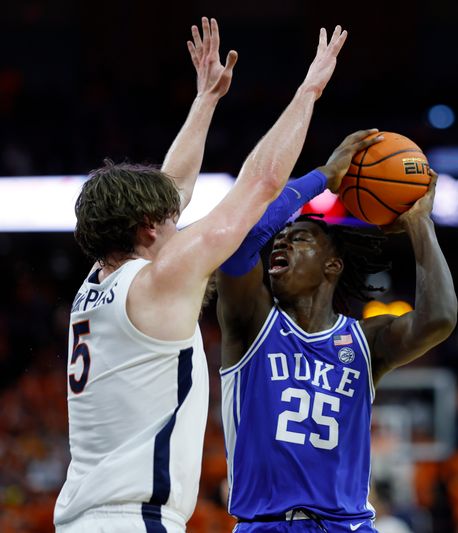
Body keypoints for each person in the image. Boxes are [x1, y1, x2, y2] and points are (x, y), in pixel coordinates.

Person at [54, 18, 349, 533]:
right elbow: (260, 183)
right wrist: (310, 90)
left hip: (83, 517)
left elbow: (174, 188)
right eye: (171, 220)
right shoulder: (158, 280)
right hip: (134, 520)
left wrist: (205, 101)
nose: (180, 219)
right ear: (147, 229)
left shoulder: (98, 283)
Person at [215, 135, 458, 532]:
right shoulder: (253, 323)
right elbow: (240, 245)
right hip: (267, 524)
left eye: (300, 238)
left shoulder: (365, 341)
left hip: (347, 525)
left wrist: (419, 224)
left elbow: (439, 318)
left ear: (333, 266)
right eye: (280, 239)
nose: (282, 242)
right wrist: (323, 177)